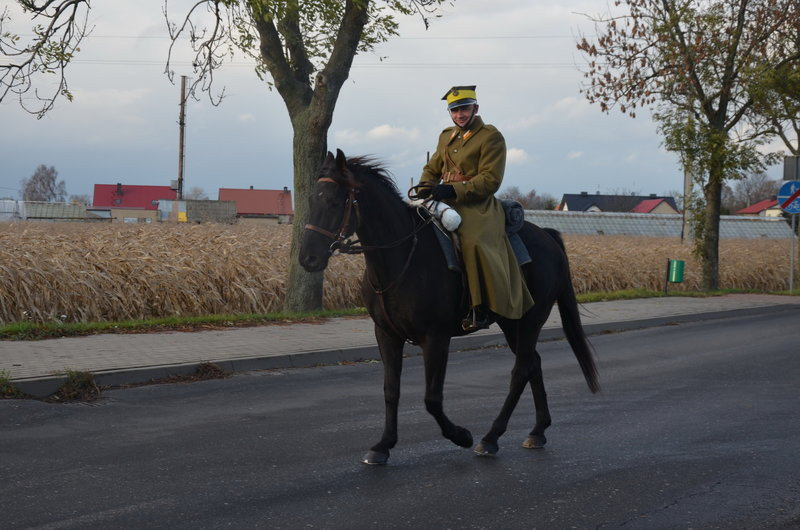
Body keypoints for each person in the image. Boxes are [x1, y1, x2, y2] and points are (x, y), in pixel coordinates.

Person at [418, 85, 534, 331]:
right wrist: (425, 187)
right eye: (454, 110)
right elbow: (432, 167)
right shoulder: (446, 136)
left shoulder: (490, 136)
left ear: (475, 108)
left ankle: (479, 307)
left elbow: (491, 179)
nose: (459, 114)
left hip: (477, 205)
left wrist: (453, 190)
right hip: (444, 200)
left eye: (464, 109)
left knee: (472, 241)